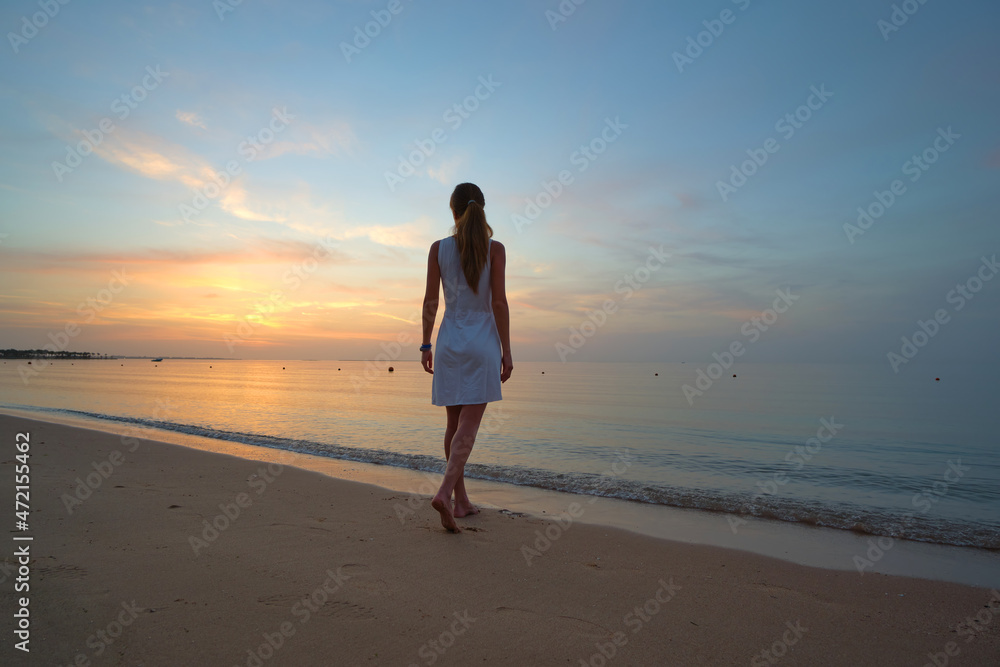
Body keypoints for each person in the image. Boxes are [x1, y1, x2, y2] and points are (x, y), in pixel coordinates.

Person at [420, 182, 513, 532]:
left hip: (448, 343)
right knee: (469, 428)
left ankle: (461, 502)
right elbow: (499, 303)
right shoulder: (496, 249)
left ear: (453, 212)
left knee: (452, 425)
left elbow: (431, 302)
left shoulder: (438, 249)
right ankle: (446, 493)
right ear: (483, 209)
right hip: (482, 343)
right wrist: (506, 350)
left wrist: (426, 344)